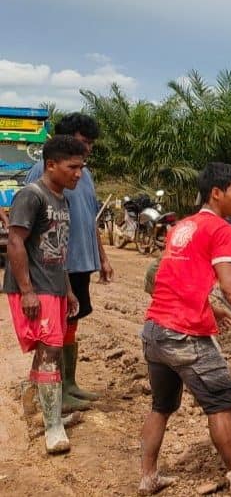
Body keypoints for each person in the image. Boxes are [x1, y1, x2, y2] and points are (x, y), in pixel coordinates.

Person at [138, 163, 231, 495]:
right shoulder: (221, 230)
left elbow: (172, 276)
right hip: (184, 335)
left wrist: (210, 307)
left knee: (161, 406)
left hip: (155, 329)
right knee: (221, 403)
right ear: (216, 193)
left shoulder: (182, 226)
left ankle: (148, 476)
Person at [4, 136, 88, 454]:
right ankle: (53, 427)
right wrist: (27, 291)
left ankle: (49, 412)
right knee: (50, 352)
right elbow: (15, 242)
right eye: (73, 167)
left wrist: (67, 290)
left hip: (53, 287)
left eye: (81, 167)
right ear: (51, 165)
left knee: (46, 353)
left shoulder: (61, 199)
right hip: (34, 288)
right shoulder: (32, 195)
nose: (78, 173)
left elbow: (59, 250)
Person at [25, 113, 114, 412]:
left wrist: (102, 256)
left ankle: (69, 383)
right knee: (54, 326)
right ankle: (53, 390)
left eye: (89, 144)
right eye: (83, 142)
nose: (87, 149)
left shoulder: (82, 173)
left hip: (80, 260)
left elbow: (91, 217)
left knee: (71, 320)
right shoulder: (44, 170)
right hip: (55, 263)